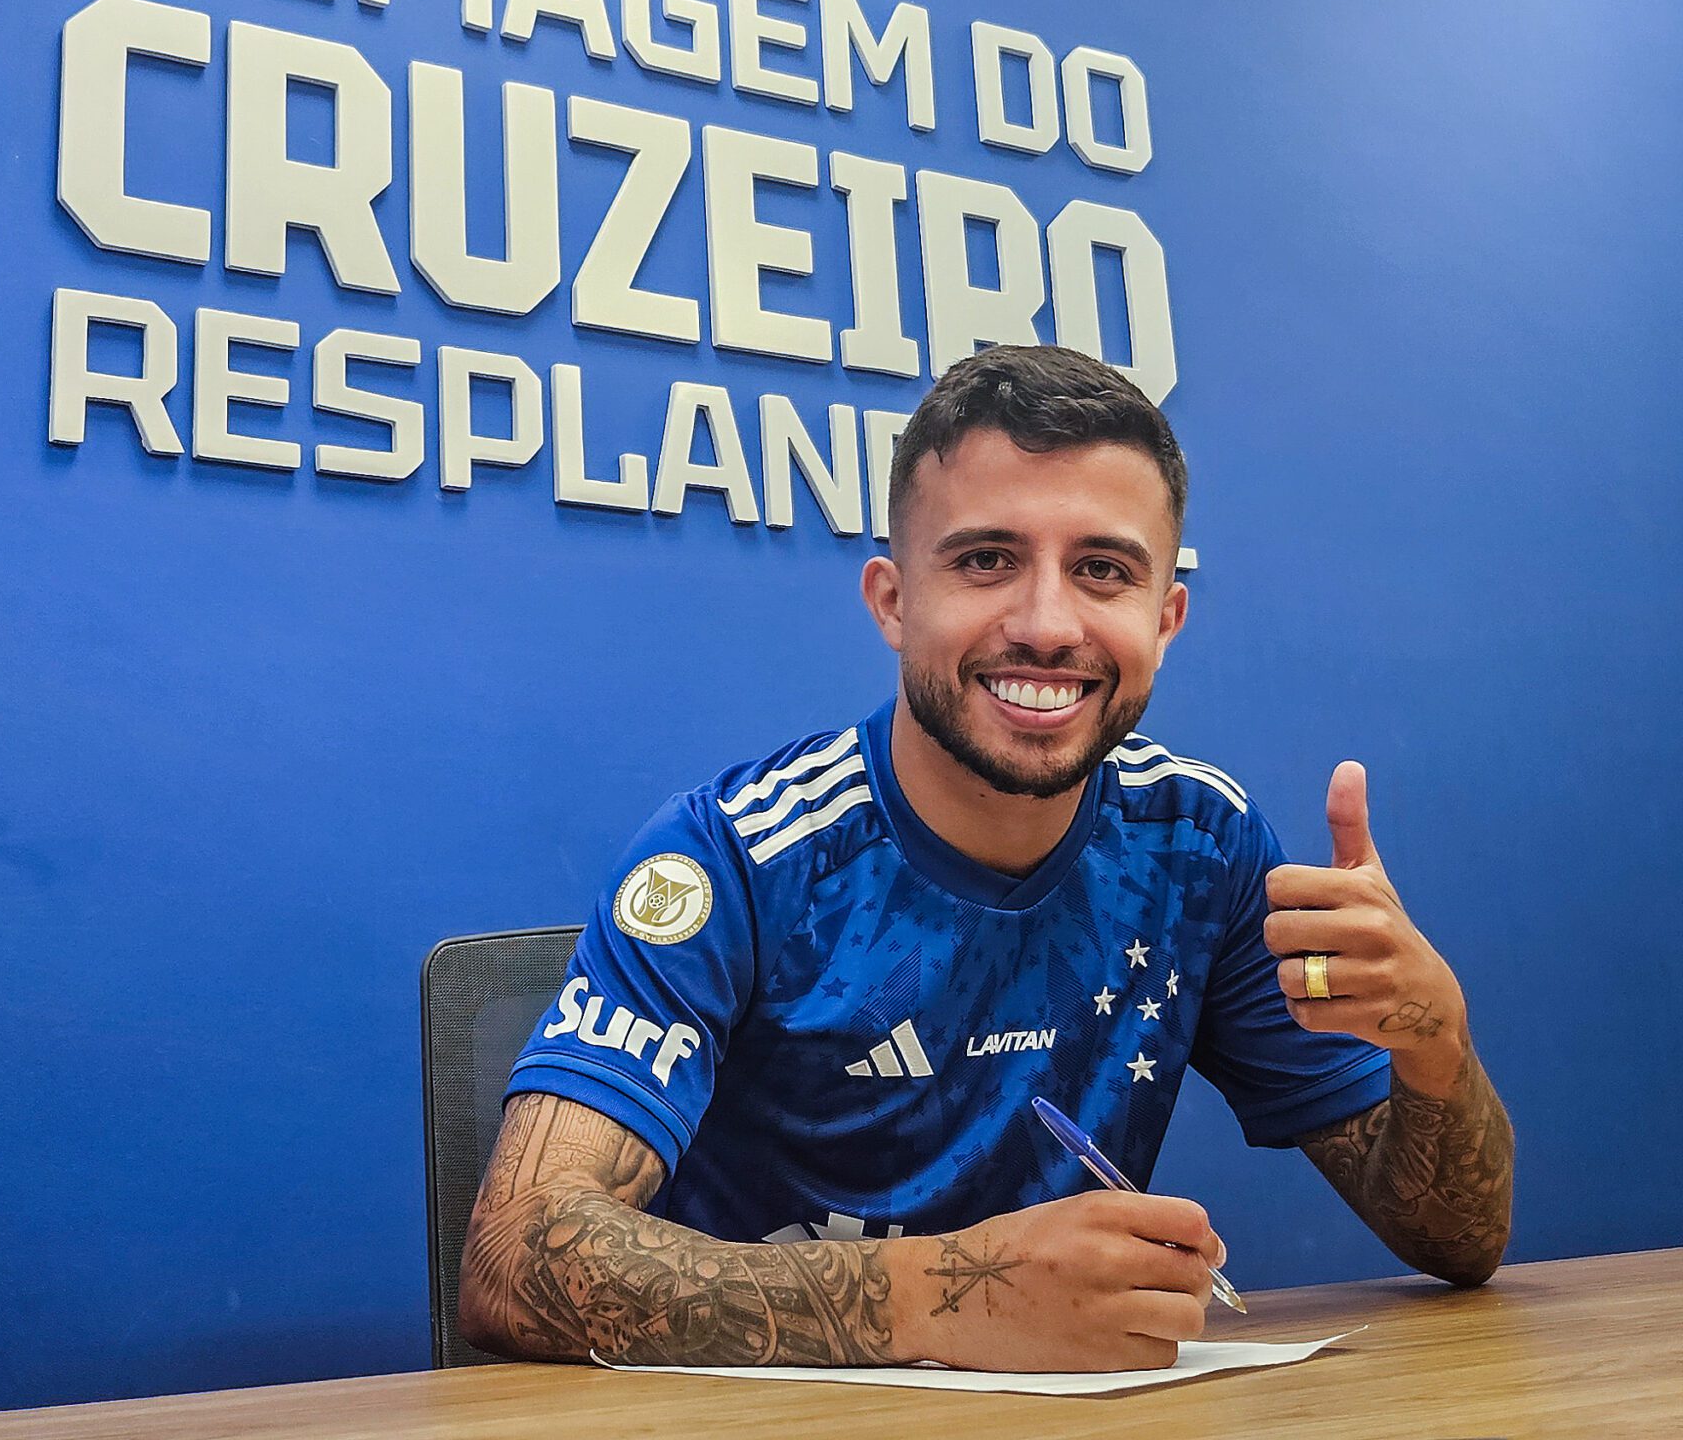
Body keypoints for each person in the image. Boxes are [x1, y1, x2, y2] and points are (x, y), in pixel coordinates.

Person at [458, 344, 1514, 1373]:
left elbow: (1455, 1245)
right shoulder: (736, 853)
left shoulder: (1202, 844)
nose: (1046, 623)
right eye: (984, 561)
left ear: (1165, 616)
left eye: (1102, 571)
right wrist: (944, 1297)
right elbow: (511, 1261)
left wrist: (1436, 1046)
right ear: (892, 600)